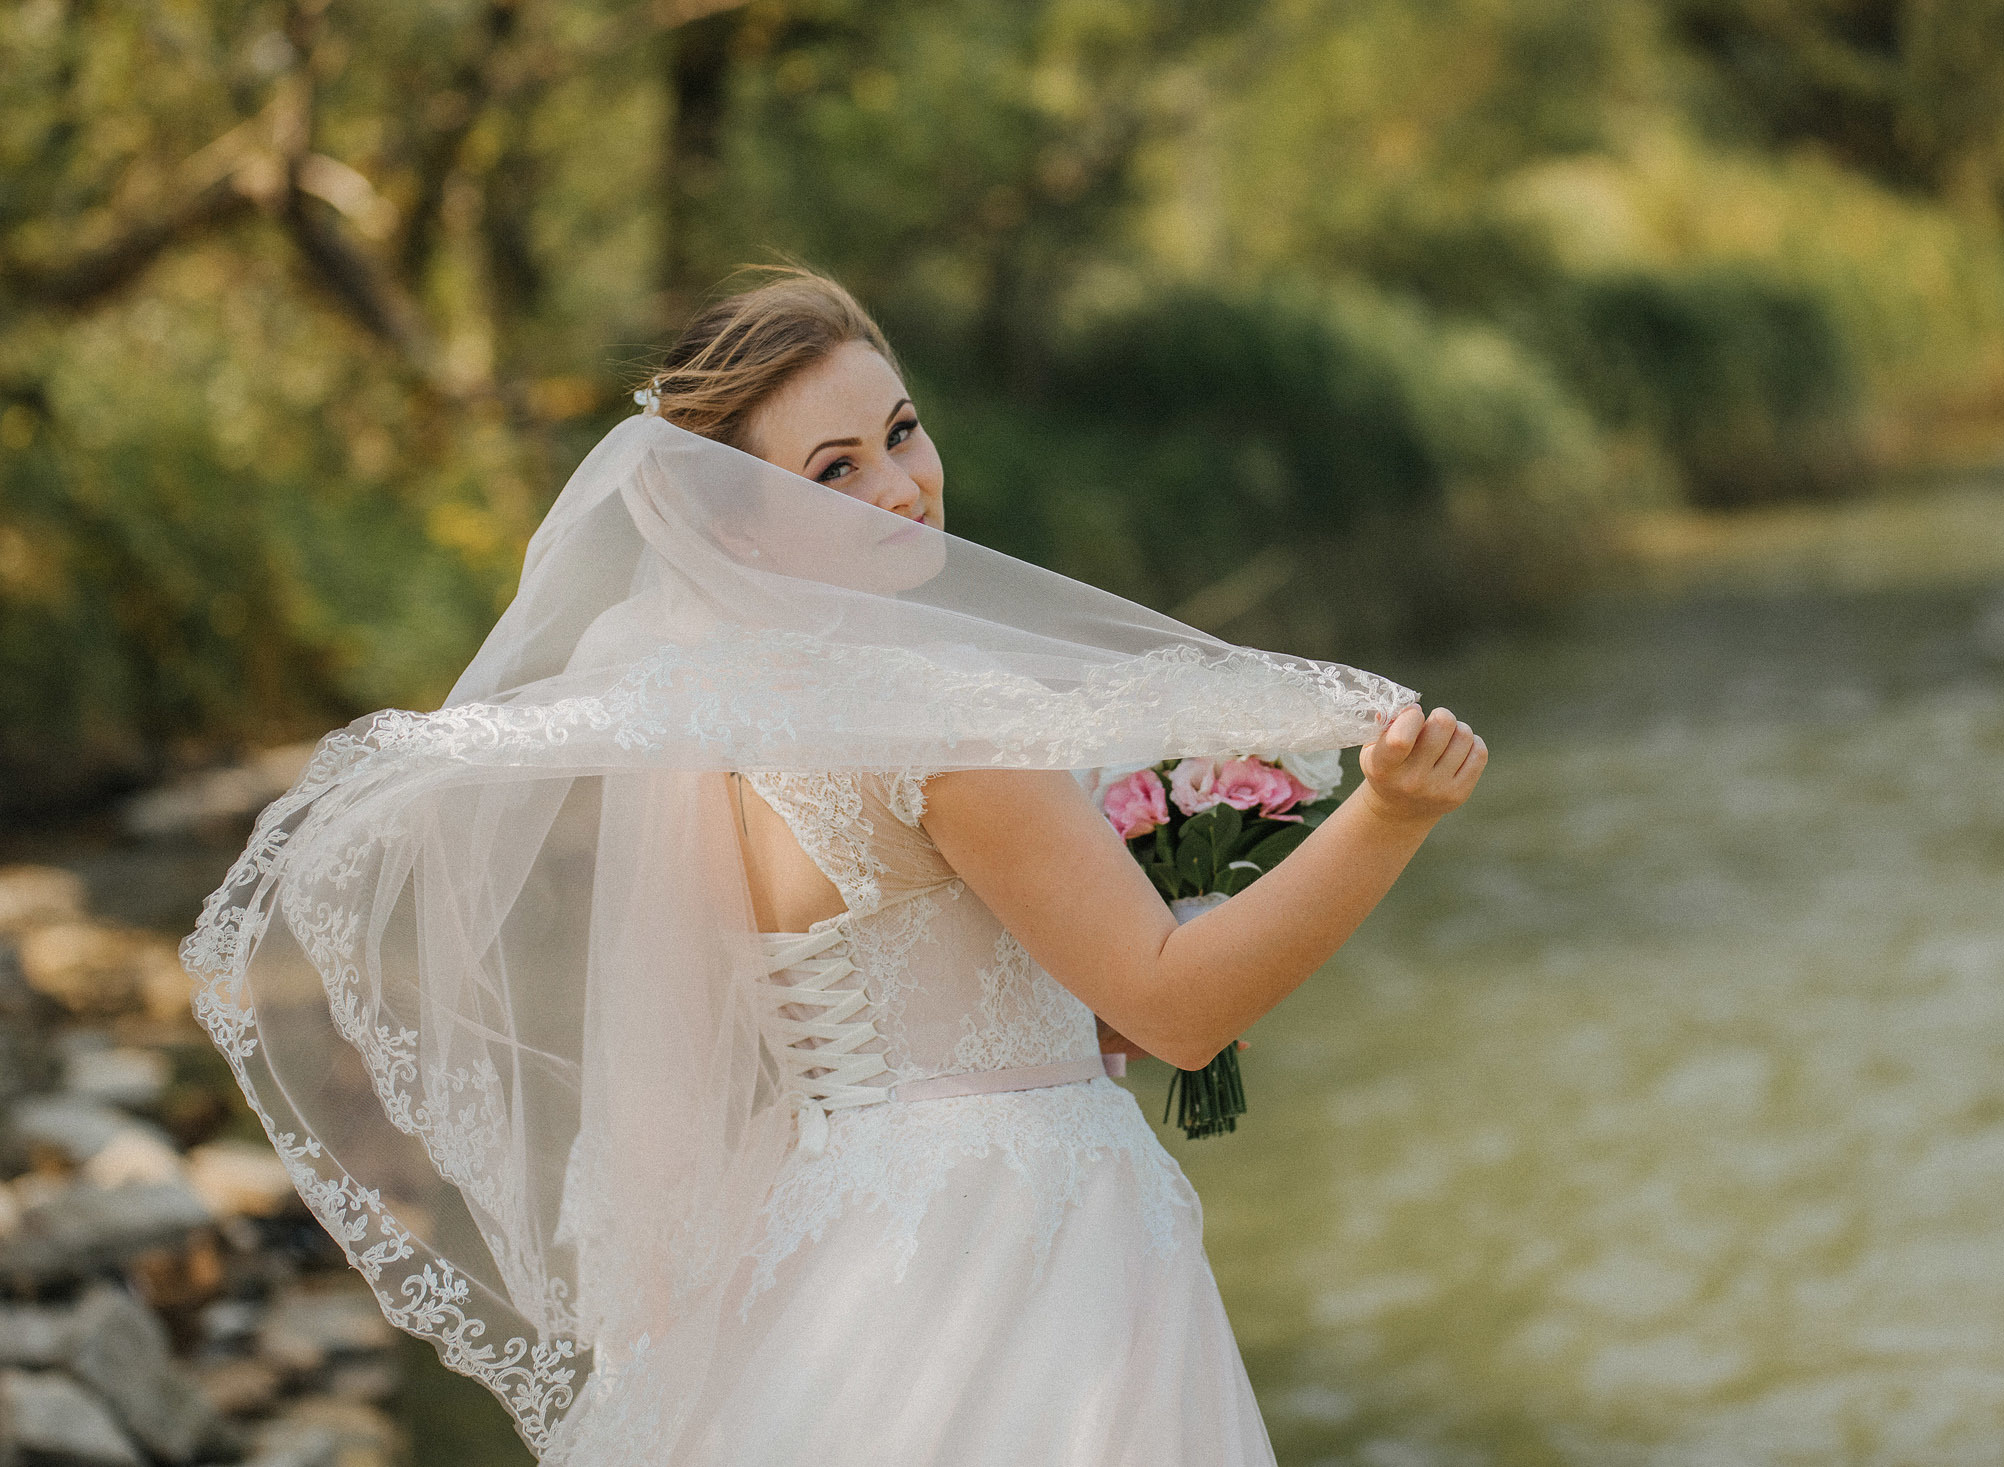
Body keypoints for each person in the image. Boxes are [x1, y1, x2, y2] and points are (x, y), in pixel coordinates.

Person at [184, 266, 1485, 1467]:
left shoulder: (714, 730)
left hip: (830, 1254)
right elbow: (1181, 1007)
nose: (901, 490)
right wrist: (1386, 818)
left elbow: (875, 1006)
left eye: (903, 432)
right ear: (738, 526)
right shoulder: (939, 712)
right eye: (833, 470)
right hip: (1028, 1251)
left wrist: (1062, 1013)